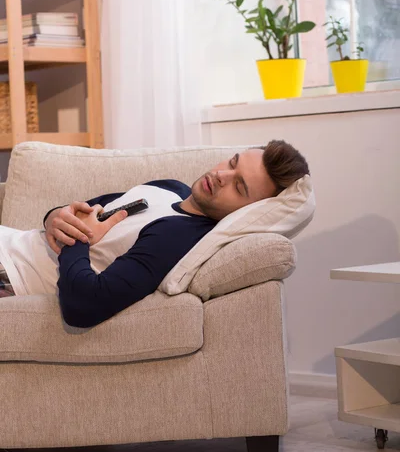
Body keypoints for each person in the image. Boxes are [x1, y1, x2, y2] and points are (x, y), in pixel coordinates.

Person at [0, 140, 309, 328]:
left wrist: (79, 239)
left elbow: (84, 305)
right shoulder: (171, 188)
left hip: (10, 273)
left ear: (247, 211)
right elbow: (82, 210)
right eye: (232, 163)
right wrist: (55, 216)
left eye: (239, 186)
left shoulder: (178, 238)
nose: (220, 176)